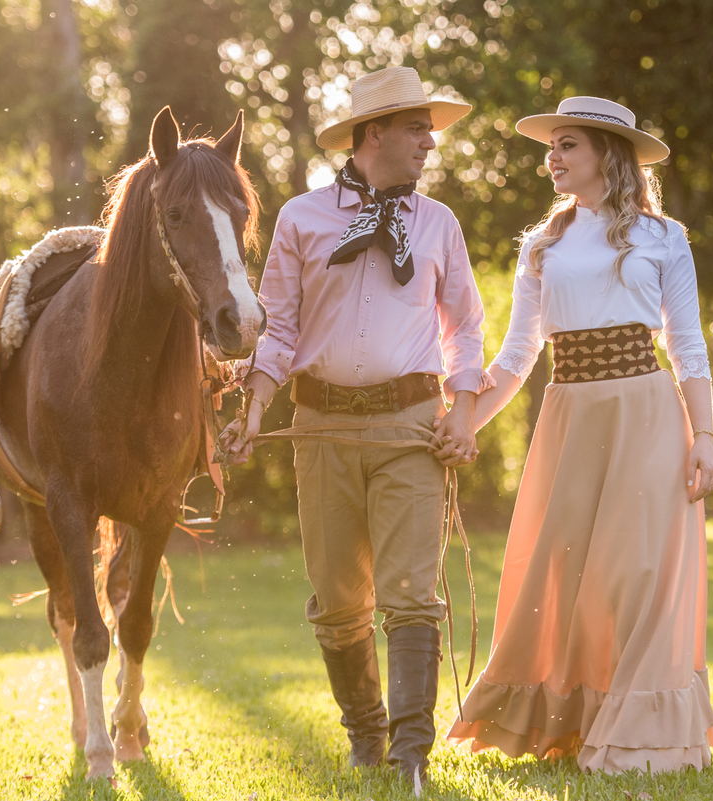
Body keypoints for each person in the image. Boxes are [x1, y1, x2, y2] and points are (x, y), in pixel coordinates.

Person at [220, 67, 492, 788]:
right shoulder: (302, 219)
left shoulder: (438, 224)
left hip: (412, 429)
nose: (429, 142)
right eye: (416, 129)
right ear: (374, 133)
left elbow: (465, 327)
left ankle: (411, 755)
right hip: (322, 429)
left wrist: (464, 414)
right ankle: (367, 735)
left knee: (410, 591)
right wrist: (253, 411)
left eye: (429, 130)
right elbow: (278, 329)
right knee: (338, 598)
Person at [445, 96, 713, 774]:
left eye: (568, 144)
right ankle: (575, 722)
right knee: (568, 575)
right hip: (569, 416)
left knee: (635, 573)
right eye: (552, 146)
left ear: (607, 153)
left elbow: (687, 344)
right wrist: (461, 424)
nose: (553, 158)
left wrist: (705, 435)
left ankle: (639, 733)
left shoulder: (663, 238)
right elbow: (517, 355)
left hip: (647, 414)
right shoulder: (542, 246)